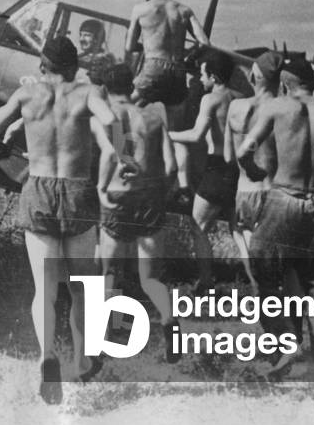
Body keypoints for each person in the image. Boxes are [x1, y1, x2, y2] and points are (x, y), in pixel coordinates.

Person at [0, 36, 116, 405]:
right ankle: (83, 357)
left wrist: (15, 124)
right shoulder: (87, 92)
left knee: (46, 290)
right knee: (80, 288)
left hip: (38, 189)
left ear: (44, 63)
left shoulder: (27, 95)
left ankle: (47, 358)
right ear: (74, 65)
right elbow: (112, 121)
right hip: (77, 191)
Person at [237, 57, 314, 375]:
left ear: (285, 83)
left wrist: (254, 170)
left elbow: (244, 151)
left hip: (284, 199)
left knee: (262, 270)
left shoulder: (277, 108)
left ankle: (286, 343)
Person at [94, 64, 180, 362]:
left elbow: (116, 156)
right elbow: (171, 167)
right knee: (150, 278)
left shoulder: (111, 118)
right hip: (151, 200)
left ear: (104, 89)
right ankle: (170, 323)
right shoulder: (155, 119)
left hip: (118, 198)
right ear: (131, 86)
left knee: (110, 273)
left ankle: (109, 338)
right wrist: (162, 192)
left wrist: (101, 189)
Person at [169, 50, 242, 290]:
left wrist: (167, 134)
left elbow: (196, 134)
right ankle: (259, 281)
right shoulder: (240, 98)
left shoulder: (210, 99)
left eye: (202, 74)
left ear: (213, 76)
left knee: (197, 226)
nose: (200, 79)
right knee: (238, 232)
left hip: (216, 168)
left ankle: (206, 281)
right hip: (236, 171)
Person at [125, 0, 209, 127]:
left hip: (153, 68)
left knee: (121, 106)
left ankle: (123, 150)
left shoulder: (140, 9)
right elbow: (205, 43)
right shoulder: (183, 10)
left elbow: (129, 46)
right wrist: (188, 54)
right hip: (178, 69)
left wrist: (148, 48)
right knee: (175, 128)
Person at [227, 51, 283, 289]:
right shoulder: (285, 109)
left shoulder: (237, 107)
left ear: (254, 74)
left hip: (245, 190)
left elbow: (230, 156)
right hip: (275, 191)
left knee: (246, 240)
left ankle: (259, 289)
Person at [77, 19, 116, 83]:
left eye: (87, 35)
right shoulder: (81, 56)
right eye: (81, 35)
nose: (81, 39)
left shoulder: (105, 59)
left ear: (97, 38)